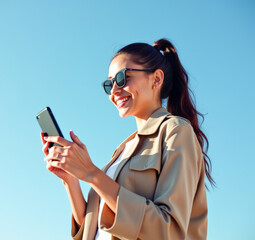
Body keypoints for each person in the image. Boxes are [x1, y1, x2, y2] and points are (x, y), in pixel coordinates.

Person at [41, 38, 214, 240]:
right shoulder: (122, 151)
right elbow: (94, 230)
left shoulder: (176, 131)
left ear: (156, 79)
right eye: (108, 84)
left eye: (123, 78)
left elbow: (169, 232)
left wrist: (91, 172)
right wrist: (71, 181)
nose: (114, 91)